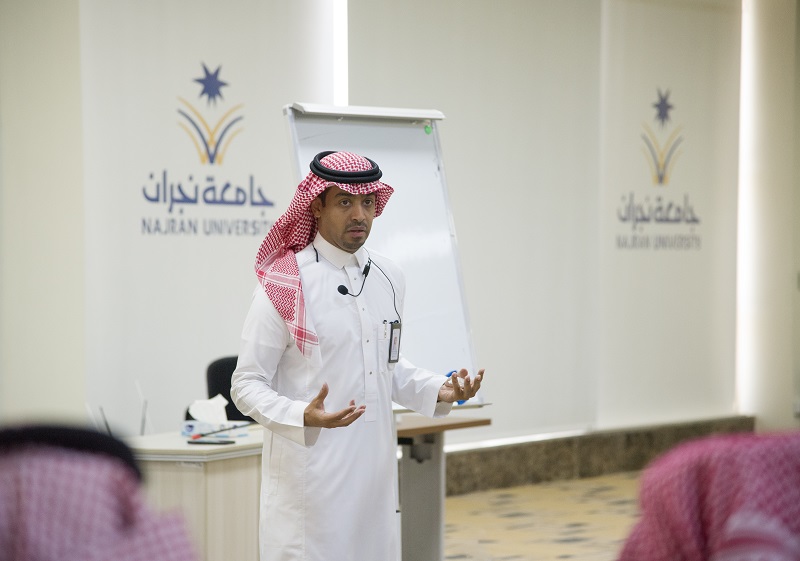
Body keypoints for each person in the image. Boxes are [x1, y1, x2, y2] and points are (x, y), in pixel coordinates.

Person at [230, 150, 484, 561]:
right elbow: (245, 384)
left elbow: (384, 368)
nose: (359, 215)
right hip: (311, 490)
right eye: (345, 202)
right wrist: (301, 414)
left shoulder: (388, 277)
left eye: (367, 203)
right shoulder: (285, 282)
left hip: (374, 487)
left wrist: (440, 389)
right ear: (316, 205)